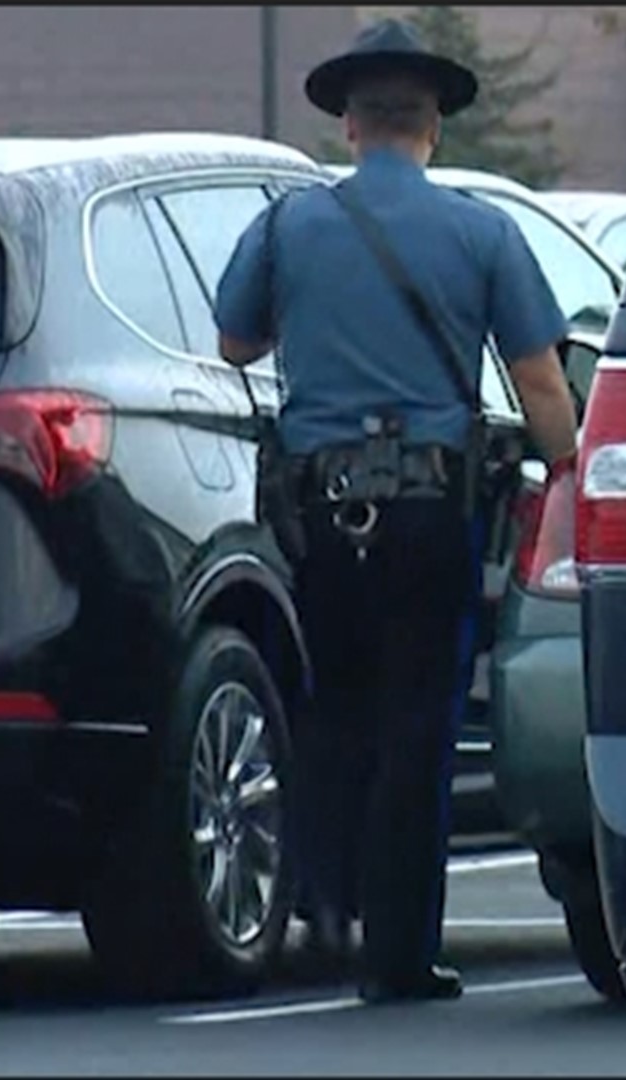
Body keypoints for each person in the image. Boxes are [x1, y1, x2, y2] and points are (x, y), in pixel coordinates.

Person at [214, 19, 580, 1004]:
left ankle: (321, 911)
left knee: (333, 709)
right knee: (420, 725)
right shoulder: (483, 232)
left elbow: (236, 342)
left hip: (321, 514)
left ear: (346, 127)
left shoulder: (289, 226)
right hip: (431, 514)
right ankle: (399, 953)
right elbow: (542, 385)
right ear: (434, 129)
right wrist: (574, 474)